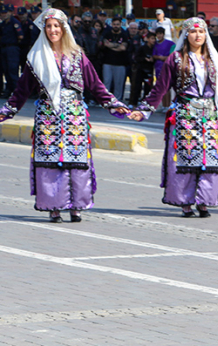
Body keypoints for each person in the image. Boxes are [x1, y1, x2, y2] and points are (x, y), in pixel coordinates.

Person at [0, 8, 130, 223]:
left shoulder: (78, 55)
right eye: (49, 26)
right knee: (51, 161)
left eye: (57, 26)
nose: (53, 30)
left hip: (74, 116)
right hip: (48, 116)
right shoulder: (36, 57)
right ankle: (54, 206)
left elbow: (95, 85)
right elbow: (22, 90)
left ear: (64, 28)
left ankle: (76, 205)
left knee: (76, 160)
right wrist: (7, 111)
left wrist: (113, 104)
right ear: (44, 29)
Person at [129, 17, 218, 218]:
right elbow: (161, 88)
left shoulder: (214, 60)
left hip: (210, 117)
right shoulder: (176, 59)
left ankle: (204, 202)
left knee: (209, 160)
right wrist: (144, 109)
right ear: (186, 35)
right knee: (187, 159)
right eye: (194, 32)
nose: (198, 35)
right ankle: (186, 202)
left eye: (202, 32)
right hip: (185, 115)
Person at [101, 17, 129, 101]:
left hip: (120, 63)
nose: (116, 26)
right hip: (107, 62)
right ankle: (106, 100)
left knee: (118, 84)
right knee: (106, 82)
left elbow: (123, 48)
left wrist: (111, 46)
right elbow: (106, 44)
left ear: (120, 25)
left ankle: (117, 101)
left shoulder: (124, 34)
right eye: (114, 24)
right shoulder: (107, 33)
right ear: (111, 24)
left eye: (117, 24)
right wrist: (117, 46)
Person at [0, 4, 24, 98]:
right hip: (4, 48)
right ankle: (9, 89)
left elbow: (20, 36)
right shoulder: (2, 24)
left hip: (12, 48)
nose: (4, 15)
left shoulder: (14, 22)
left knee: (12, 70)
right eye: (2, 13)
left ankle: (16, 91)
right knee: (6, 70)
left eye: (5, 13)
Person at [129, 30, 156, 106]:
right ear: (147, 39)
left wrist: (153, 59)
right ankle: (133, 102)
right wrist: (144, 58)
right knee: (137, 86)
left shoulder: (155, 48)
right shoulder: (142, 47)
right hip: (140, 69)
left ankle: (146, 103)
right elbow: (136, 57)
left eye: (154, 38)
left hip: (149, 70)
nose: (153, 40)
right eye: (152, 38)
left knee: (148, 88)